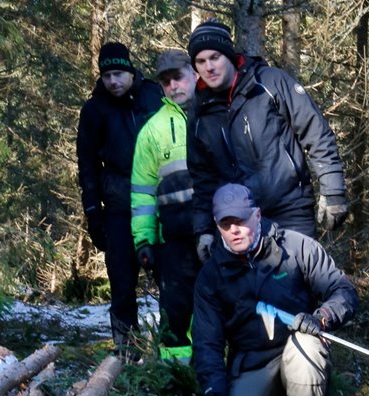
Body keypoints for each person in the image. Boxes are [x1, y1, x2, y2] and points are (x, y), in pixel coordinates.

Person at [192, 183, 358, 396]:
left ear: (257, 215)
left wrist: (322, 317)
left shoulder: (295, 247)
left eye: (241, 220)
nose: (235, 229)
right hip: (253, 361)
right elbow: (208, 344)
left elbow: (343, 291)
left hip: (298, 347)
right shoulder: (211, 276)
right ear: (217, 227)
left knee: (307, 348)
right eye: (226, 224)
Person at [187, 19, 349, 263]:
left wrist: (333, 191)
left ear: (229, 56)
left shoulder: (270, 83)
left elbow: (316, 133)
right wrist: (204, 231)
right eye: (200, 61)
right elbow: (202, 179)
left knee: (297, 289)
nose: (209, 67)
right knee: (250, 299)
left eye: (215, 57)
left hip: (290, 208)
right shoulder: (200, 114)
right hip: (238, 222)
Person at [77, 41, 163, 352]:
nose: (112, 81)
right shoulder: (94, 110)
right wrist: (92, 212)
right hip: (118, 206)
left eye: (118, 73)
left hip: (160, 204)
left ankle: (173, 353)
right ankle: (128, 352)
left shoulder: (154, 94)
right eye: (106, 75)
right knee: (123, 285)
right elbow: (86, 164)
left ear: (130, 70)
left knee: (170, 281)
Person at [131, 49, 201, 363]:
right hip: (175, 238)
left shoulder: (218, 112)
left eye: (178, 77)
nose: (173, 86)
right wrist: (144, 240)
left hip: (221, 231)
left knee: (220, 306)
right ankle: (176, 376)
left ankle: (219, 376)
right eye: (166, 81)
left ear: (195, 73)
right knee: (176, 310)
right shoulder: (153, 130)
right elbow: (143, 192)